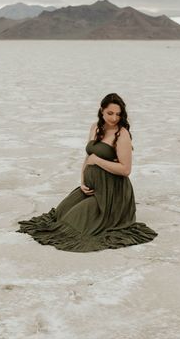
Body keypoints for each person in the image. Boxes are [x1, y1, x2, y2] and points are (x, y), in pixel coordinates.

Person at [16, 92, 158, 252]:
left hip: (112, 193)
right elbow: (88, 156)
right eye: (110, 113)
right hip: (92, 187)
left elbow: (125, 169)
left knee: (73, 223)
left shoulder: (122, 134)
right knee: (61, 213)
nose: (114, 118)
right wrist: (83, 180)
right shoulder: (95, 127)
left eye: (118, 114)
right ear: (102, 110)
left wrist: (98, 161)